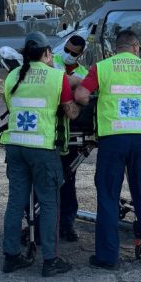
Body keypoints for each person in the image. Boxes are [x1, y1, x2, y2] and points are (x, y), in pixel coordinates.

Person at [74, 29, 141, 270]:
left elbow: (82, 95)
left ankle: (107, 258)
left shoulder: (103, 67)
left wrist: (99, 99)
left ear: (117, 48)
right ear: (136, 47)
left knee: (108, 196)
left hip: (113, 139)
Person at [1, 31, 80, 277]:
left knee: (16, 202)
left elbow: (11, 106)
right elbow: (70, 112)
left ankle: (11, 257)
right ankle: (50, 260)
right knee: (48, 204)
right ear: (47, 53)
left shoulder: (12, 75)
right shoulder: (57, 77)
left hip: (15, 147)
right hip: (42, 150)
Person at [51, 35, 89, 242]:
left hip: (71, 133)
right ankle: (42, 225)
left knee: (68, 179)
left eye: (74, 53)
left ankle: (67, 224)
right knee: (47, 182)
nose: (68, 55)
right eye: (67, 49)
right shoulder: (52, 61)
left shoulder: (83, 74)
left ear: (80, 55)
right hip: (50, 132)